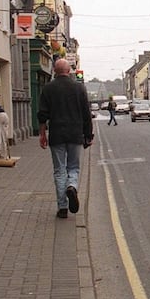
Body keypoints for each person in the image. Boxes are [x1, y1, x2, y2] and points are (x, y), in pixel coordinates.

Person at [38, 58, 94, 219]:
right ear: (69, 71)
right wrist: (88, 135)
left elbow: (42, 114)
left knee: (59, 170)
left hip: (56, 134)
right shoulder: (79, 88)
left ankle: (62, 207)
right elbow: (86, 114)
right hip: (75, 134)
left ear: (54, 71)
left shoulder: (48, 88)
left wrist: (42, 134)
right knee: (73, 167)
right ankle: (72, 186)